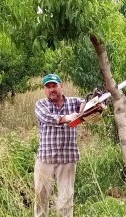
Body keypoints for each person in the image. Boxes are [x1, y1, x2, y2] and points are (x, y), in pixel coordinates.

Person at [34, 73, 84, 217]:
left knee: (66, 198)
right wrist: (68, 117)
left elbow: (86, 103)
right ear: (45, 90)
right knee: (40, 198)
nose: (51, 90)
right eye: (48, 87)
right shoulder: (41, 104)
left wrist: (92, 104)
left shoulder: (73, 102)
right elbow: (47, 118)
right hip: (45, 158)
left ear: (61, 86)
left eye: (54, 86)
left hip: (67, 158)